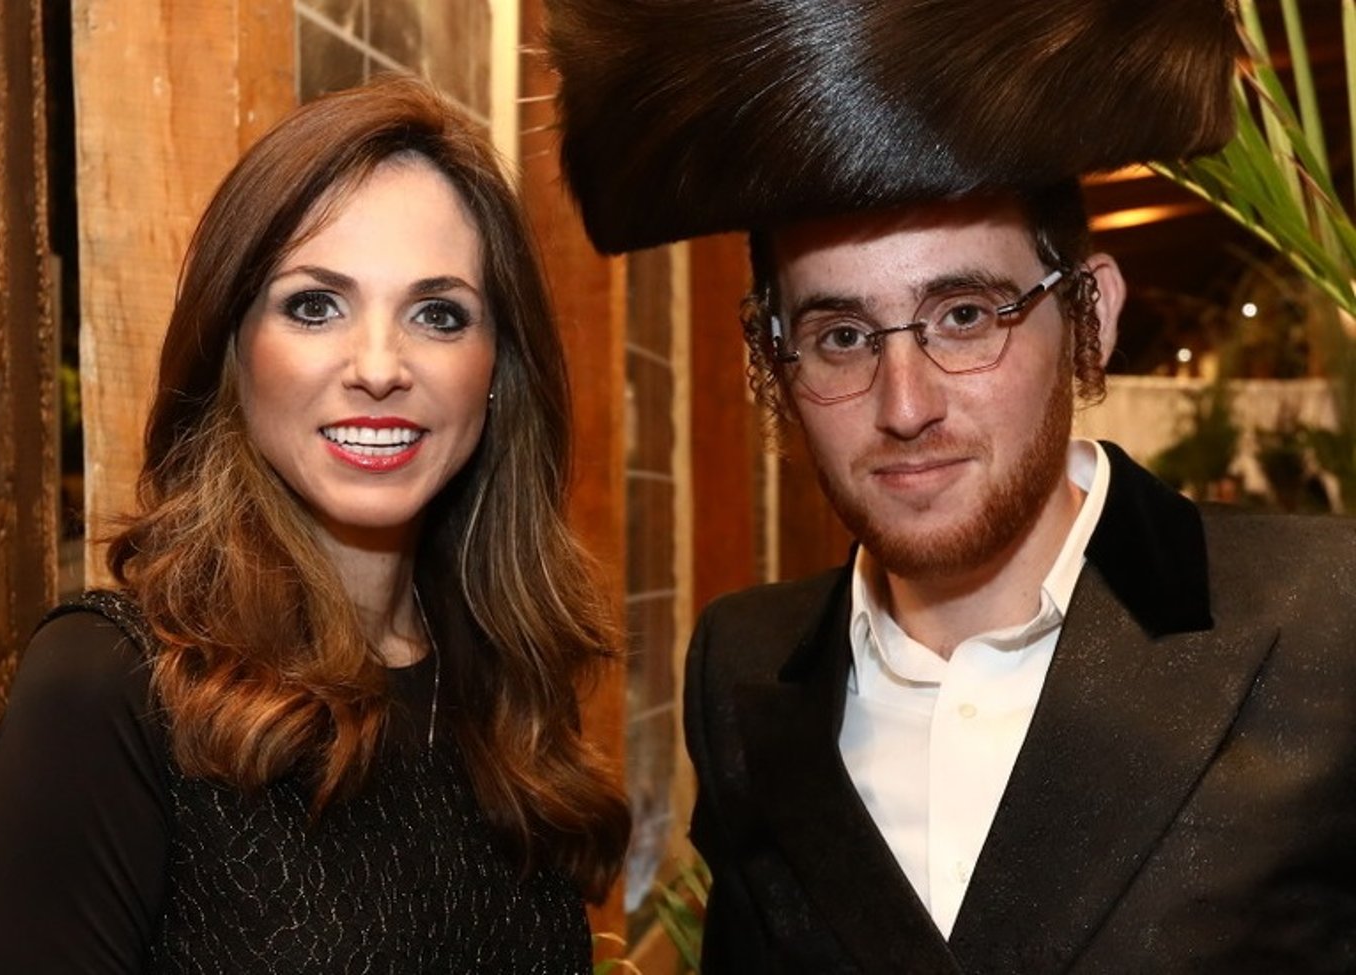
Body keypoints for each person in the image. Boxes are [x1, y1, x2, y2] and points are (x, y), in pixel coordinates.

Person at [545, 0, 1356, 971]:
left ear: (1089, 315)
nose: (904, 404)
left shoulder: (1325, 619)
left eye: (965, 315)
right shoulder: (747, 667)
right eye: (842, 336)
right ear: (774, 361)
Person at [0, 74, 630, 972]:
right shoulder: (106, 686)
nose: (380, 366)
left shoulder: (507, 685)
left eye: (438, 314)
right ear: (233, 348)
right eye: (314, 305)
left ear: (496, 371)